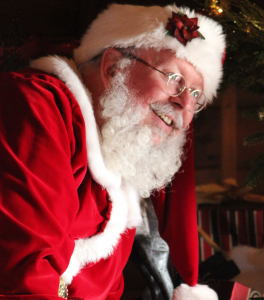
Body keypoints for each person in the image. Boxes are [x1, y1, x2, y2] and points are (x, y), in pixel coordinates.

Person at [0, 3, 225, 300]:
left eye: (197, 95)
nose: (185, 104)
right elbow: (22, 275)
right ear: (113, 67)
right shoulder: (34, 105)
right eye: (174, 79)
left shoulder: (120, 165)